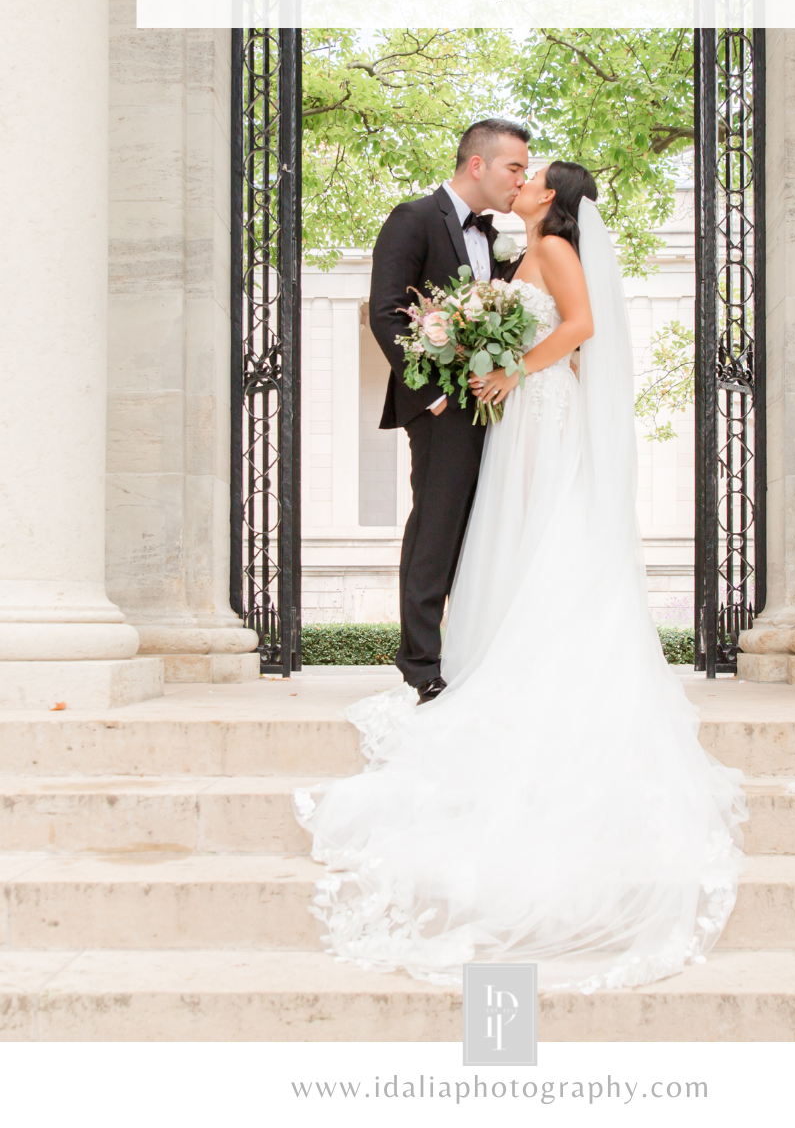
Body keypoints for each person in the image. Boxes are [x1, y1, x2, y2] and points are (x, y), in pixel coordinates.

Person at [295, 163, 746, 991]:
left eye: (535, 177)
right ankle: (485, 650)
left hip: (540, 407)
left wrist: (513, 370)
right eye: (518, 169)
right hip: (518, 410)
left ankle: (533, 663)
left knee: (544, 532)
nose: (524, 182)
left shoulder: (559, 250)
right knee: (513, 533)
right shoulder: (524, 245)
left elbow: (579, 328)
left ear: (556, 199)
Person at [368, 118, 530, 701]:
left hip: (492, 407)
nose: (522, 178)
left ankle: (469, 649)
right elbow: (387, 312)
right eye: (515, 167)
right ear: (478, 165)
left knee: (480, 529)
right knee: (435, 529)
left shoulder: (496, 238)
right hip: (440, 407)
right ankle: (420, 665)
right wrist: (432, 397)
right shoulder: (413, 218)